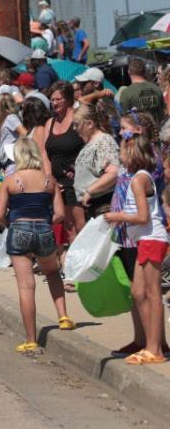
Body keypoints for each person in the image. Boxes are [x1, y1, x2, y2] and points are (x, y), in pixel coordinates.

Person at [0, 137, 73, 354]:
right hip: (43, 230)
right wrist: (45, 222)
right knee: (53, 273)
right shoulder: (49, 181)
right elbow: (59, 214)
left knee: (26, 286)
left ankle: (31, 339)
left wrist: (9, 224)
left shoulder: (11, 181)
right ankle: (63, 316)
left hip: (19, 230)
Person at [104, 133, 169, 365]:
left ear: (132, 153)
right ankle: (151, 343)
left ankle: (156, 349)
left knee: (152, 294)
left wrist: (116, 216)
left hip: (151, 238)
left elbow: (143, 216)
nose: (119, 155)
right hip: (144, 240)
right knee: (138, 292)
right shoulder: (140, 177)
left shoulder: (138, 179)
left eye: (122, 150)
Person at [41, 82, 84, 257]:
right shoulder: (50, 122)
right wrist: (49, 178)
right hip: (57, 183)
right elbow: (44, 153)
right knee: (69, 228)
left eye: (58, 99)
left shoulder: (78, 119)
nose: (54, 103)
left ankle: (84, 270)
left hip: (77, 181)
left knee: (81, 226)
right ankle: (74, 271)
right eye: (52, 100)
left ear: (67, 100)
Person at [72, 103, 119, 220]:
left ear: (90, 124)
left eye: (77, 124)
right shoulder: (90, 144)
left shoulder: (103, 141)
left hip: (104, 206)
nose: (74, 128)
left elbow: (113, 173)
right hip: (93, 206)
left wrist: (89, 191)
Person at [119, 58, 165, 124]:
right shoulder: (157, 89)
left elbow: (125, 120)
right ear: (144, 71)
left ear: (129, 71)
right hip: (159, 131)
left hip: (140, 133)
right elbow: (163, 112)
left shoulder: (126, 93)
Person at [0, 94, 25, 172]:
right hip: (7, 159)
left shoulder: (11, 118)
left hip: (11, 158)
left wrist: (17, 146)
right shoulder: (7, 118)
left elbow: (24, 133)